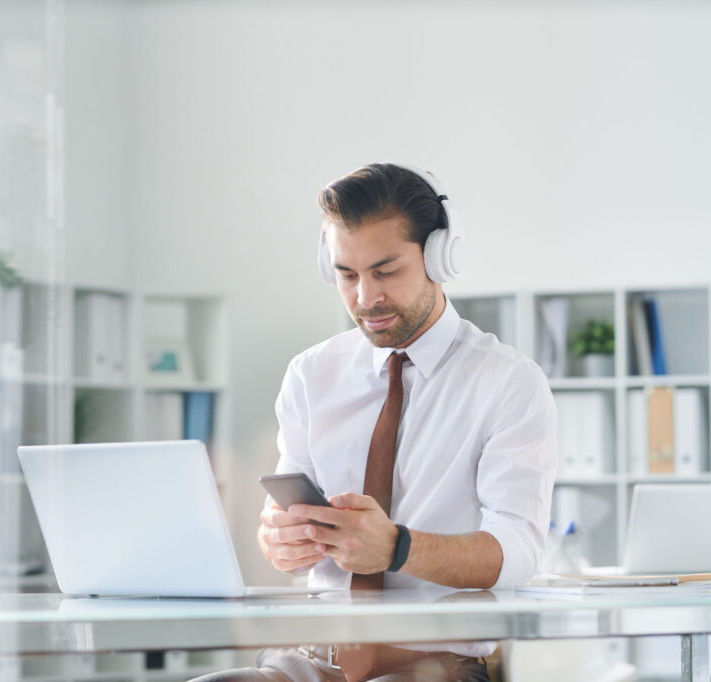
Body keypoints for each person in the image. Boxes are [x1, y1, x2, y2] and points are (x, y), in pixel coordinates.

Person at [192, 163, 557, 682]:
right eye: (347, 275)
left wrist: (397, 547)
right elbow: (284, 526)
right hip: (307, 663)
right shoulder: (311, 374)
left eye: (385, 272)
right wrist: (281, 540)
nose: (365, 299)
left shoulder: (508, 382)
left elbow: (518, 550)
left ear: (440, 257)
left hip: (433, 668)